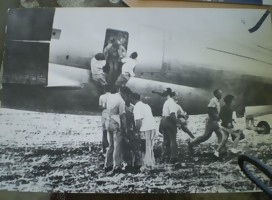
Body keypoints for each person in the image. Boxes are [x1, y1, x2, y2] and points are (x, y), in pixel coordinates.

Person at [188, 89, 223, 155]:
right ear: (215, 94)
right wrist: (216, 116)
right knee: (206, 136)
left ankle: (221, 150)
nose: (221, 94)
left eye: (221, 93)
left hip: (214, 121)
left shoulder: (217, 101)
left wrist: (218, 117)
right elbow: (209, 109)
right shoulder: (213, 100)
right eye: (220, 93)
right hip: (211, 121)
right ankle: (191, 144)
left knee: (220, 134)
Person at [104, 87, 127, 173]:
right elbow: (123, 116)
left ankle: (107, 164)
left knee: (111, 145)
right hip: (116, 122)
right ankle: (117, 166)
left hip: (108, 121)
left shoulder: (109, 97)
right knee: (117, 146)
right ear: (124, 93)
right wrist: (124, 128)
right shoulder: (121, 101)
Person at [131, 93, 156, 171]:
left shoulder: (137, 107)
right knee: (150, 147)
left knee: (144, 148)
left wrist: (136, 131)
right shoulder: (146, 105)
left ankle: (147, 166)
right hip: (152, 127)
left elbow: (138, 121)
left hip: (145, 129)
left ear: (132, 99)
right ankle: (151, 164)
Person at [159, 88, 179, 164]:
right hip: (169, 121)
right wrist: (177, 122)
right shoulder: (172, 102)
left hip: (163, 120)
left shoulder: (166, 102)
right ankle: (173, 157)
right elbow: (172, 114)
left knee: (165, 140)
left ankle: (164, 156)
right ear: (171, 94)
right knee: (173, 140)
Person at [98, 85, 111, 153]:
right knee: (111, 132)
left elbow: (100, 108)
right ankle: (111, 148)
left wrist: (104, 107)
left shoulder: (101, 97)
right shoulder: (112, 97)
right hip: (111, 115)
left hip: (104, 114)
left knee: (104, 132)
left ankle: (104, 149)